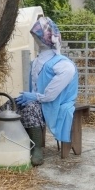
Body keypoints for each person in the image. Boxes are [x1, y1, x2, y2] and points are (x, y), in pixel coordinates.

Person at [14, 16, 79, 165]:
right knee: (9, 106)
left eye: (39, 37)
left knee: (30, 109)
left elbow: (50, 95)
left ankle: (36, 149)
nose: (36, 40)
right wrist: (30, 95)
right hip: (39, 99)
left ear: (47, 39)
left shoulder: (63, 64)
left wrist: (36, 96)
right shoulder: (38, 60)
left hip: (55, 103)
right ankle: (5, 141)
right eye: (35, 37)